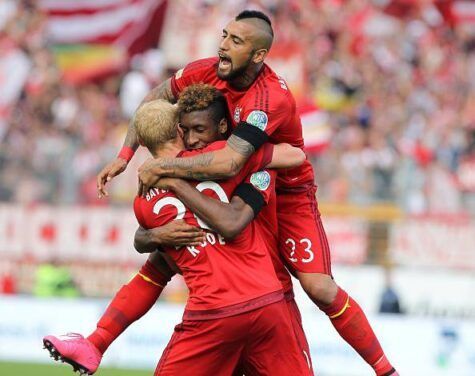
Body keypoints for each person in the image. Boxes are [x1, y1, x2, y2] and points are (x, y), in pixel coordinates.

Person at [97, 10, 397, 376]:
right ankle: (96, 342)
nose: (223, 45)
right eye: (225, 35)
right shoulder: (204, 71)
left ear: (258, 56)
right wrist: (125, 156)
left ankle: (385, 370)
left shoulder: (268, 99)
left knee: (316, 286)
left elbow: (229, 162)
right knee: (208, 269)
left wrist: (164, 168)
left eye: (235, 41)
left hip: (282, 189)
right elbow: (151, 104)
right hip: (236, 183)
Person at [44, 84, 311, 375]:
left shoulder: (143, 203)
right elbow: (294, 155)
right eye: (189, 130)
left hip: (214, 314)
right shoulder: (223, 158)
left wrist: (151, 230)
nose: (195, 139)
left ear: (144, 145)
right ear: (179, 131)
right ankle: (95, 343)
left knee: (156, 269)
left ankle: (96, 342)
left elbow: (165, 259)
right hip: (269, 302)